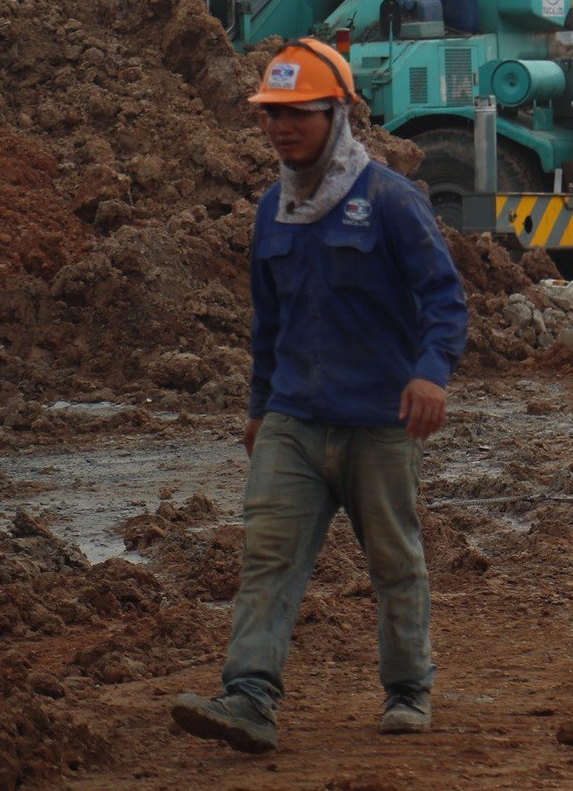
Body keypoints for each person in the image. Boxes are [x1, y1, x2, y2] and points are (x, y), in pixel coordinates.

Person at [172, 39, 468, 755]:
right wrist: (258, 404)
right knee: (267, 557)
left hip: (378, 422)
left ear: (336, 114)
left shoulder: (391, 202)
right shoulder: (274, 210)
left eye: (296, 113)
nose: (280, 127)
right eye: (271, 114)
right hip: (294, 420)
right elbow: (267, 322)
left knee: (394, 562)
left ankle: (407, 690)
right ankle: (249, 696)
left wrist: (430, 373)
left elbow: (445, 298)